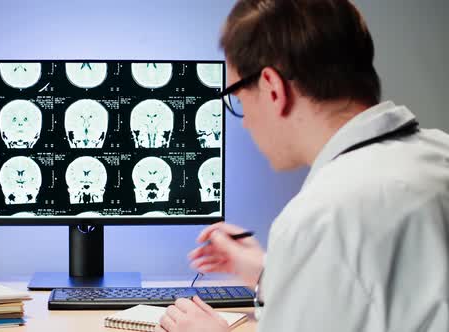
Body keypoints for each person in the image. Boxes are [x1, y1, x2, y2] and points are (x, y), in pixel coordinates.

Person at [156, 1, 449, 331]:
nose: (247, 123)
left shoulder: (319, 217)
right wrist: (275, 271)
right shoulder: (440, 153)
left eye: (237, 99)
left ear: (272, 87)